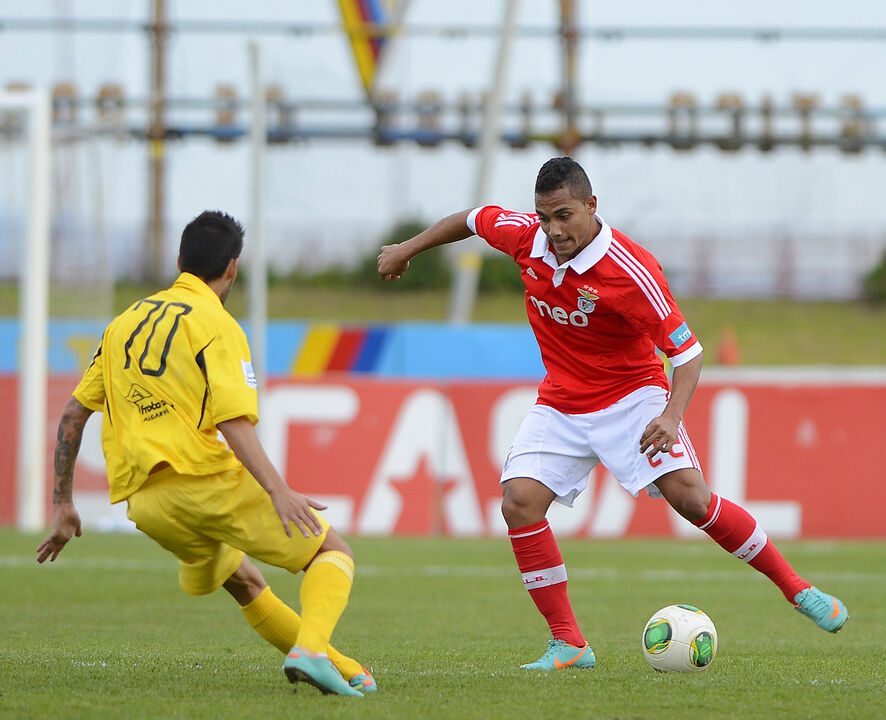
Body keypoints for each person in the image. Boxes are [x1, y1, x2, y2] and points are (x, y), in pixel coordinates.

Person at [377, 157, 848, 671]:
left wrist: (671, 417)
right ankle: (569, 643)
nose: (553, 230)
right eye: (544, 217)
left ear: (591, 206)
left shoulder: (631, 270)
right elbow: (473, 217)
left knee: (690, 497)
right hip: (562, 398)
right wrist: (406, 249)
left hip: (632, 395)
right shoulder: (525, 238)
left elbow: (688, 354)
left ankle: (797, 589)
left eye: (563, 216)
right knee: (520, 502)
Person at [37, 211, 374, 697]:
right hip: (201, 481)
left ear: (179, 259)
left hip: (147, 507)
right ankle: (315, 649)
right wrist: (279, 492)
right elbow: (233, 421)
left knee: (244, 580)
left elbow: (73, 415)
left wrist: (63, 504)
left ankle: (343, 665)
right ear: (232, 268)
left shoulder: (121, 324)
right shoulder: (218, 325)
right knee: (331, 551)